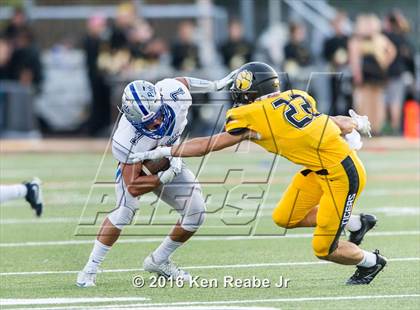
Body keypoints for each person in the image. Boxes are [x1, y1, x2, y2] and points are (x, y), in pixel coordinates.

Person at [130, 62, 387, 285]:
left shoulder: (253, 116)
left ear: (253, 91)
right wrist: (356, 123)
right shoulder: (296, 96)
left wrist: (168, 150)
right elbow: (331, 121)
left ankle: (371, 262)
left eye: (242, 90)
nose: (238, 96)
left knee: (324, 249)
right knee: (285, 217)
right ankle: (356, 222)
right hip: (320, 170)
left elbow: (208, 145)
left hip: (341, 175)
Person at [76, 70, 237, 287]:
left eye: (158, 114)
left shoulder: (172, 93)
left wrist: (215, 85)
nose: (158, 122)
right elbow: (133, 185)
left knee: (196, 213)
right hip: (141, 167)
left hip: (168, 157)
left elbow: (184, 81)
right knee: (125, 211)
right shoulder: (125, 138)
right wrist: (163, 176)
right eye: (150, 122)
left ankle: (159, 260)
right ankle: (90, 269)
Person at [348, 14, 396, 135]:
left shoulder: (379, 38)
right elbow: (354, 59)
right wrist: (357, 74)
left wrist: (385, 63)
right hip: (364, 75)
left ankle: (376, 128)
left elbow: (392, 51)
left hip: (377, 74)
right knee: (363, 101)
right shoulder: (356, 41)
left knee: (377, 101)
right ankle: (363, 127)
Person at [383, 10, 414, 135]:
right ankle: (394, 128)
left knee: (388, 101)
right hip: (397, 73)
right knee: (395, 101)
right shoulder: (401, 37)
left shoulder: (386, 36)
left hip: (387, 73)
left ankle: (388, 127)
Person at [83, 14, 111, 136]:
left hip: (102, 77)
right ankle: (94, 129)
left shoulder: (102, 41)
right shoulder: (90, 40)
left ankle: (104, 126)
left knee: (105, 103)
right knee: (97, 103)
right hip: (95, 77)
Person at [323, 12, 352, 115]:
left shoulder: (347, 39)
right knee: (334, 96)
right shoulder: (329, 40)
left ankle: (348, 116)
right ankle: (335, 116)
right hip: (334, 71)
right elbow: (325, 55)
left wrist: (346, 60)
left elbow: (352, 53)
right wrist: (334, 59)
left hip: (347, 71)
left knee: (348, 96)